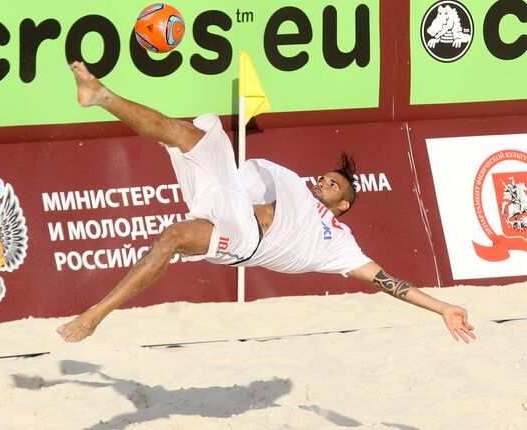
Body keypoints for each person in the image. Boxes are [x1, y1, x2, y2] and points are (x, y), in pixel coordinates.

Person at [57, 61, 476, 344]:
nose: (323, 182)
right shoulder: (286, 183)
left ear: (343, 206)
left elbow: (389, 282)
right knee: (184, 133)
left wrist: (441, 307)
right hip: (231, 199)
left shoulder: (338, 241)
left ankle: (96, 314)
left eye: (333, 186)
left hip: (244, 239)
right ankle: (100, 95)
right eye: (326, 176)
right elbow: (241, 181)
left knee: (172, 237)